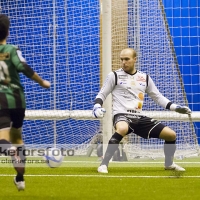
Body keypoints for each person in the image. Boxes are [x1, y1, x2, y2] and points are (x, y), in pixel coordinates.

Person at [92, 48, 191, 173]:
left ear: (135, 59)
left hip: (139, 117)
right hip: (121, 114)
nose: (123, 62)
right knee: (122, 129)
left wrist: (175, 107)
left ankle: (169, 164)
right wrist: (96, 106)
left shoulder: (145, 78)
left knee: (171, 135)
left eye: (127, 59)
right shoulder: (114, 76)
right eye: (121, 59)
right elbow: (102, 94)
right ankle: (103, 164)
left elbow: (158, 97)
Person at [0, 14, 50, 190]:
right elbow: (22, 67)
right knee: (17, 137)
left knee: (3, 141)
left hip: (1, 101)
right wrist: (42, 81)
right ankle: (20, 178)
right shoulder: (13, 49)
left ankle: (10, 151)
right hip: (18, 99)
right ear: (7, 31)